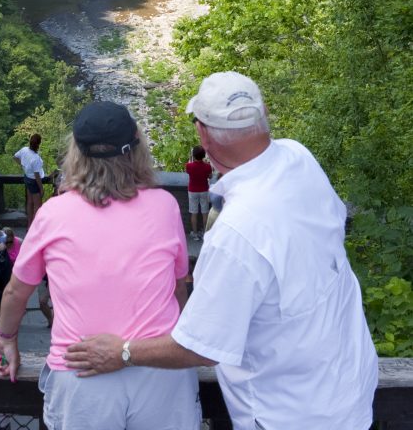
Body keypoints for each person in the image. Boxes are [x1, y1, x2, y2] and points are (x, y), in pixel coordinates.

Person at [65, 72, 379, 430]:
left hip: (290, 412)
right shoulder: (299, 158)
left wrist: (122, 352)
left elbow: (201, 346)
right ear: (265, 115)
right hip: (348, 389)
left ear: (202, 132)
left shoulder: (236, 235)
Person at [0, 100, 201, 430]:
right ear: (136, 148)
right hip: (159, 370)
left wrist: (6, 338)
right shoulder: (165, 206)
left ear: (75, 152)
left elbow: (16, 292)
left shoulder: (53, 213)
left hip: (81, 375)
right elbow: (178, 286)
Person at [14, 133, 45, 226]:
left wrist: (23, 165)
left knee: (30, 202)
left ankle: (29, 224)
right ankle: (35, 227)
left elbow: (15, 157)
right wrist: (41, 188)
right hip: (34, 181)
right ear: (39, 144)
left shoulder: (24, 150)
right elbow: (37, 175)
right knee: (38, 206)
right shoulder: (35, 158)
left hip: (27, 178)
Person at [185, 145, 212, 240]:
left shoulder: (189, 166)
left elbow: (188, 171)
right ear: (204, 155)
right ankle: (205, 232)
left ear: (193, 155)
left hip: (192, 191)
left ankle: (195, 233)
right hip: (204, 190)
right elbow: (210, 177)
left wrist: (190, 159)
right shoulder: (207, 166)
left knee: (194, 212)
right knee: (205, 212)